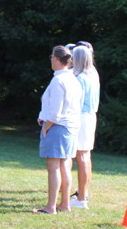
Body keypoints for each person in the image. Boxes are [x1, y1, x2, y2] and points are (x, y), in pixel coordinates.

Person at [34, 45, 82, 214]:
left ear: (56, 59)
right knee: (65, 166)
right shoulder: (73, 79)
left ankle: (51, 206)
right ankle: (65, 204)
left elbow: (55, 113)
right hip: (70, 127)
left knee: (53, 167)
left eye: (51, 57)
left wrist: (46, 127)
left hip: (57, 127)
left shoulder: (58, 80)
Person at [70, 43, 99, 208]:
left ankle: (81, 198)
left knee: (80, 157)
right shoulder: (92, 75)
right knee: (86, 157)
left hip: (81, 117)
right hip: (90, 116)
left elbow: (77, 104)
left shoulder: (80, 78)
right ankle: (84, 193)